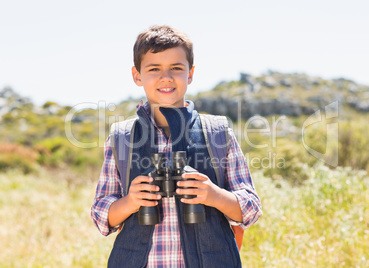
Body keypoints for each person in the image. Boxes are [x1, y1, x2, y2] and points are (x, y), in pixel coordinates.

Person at [91, 25, 262, 268]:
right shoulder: (122, 137)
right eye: (154, 69)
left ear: (190, 74)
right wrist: (131, 201)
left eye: (176, 68)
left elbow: (251, 208)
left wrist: (213, 195)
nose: (166, 77)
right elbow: (100, 216)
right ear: (137, 75)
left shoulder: (217, 133)